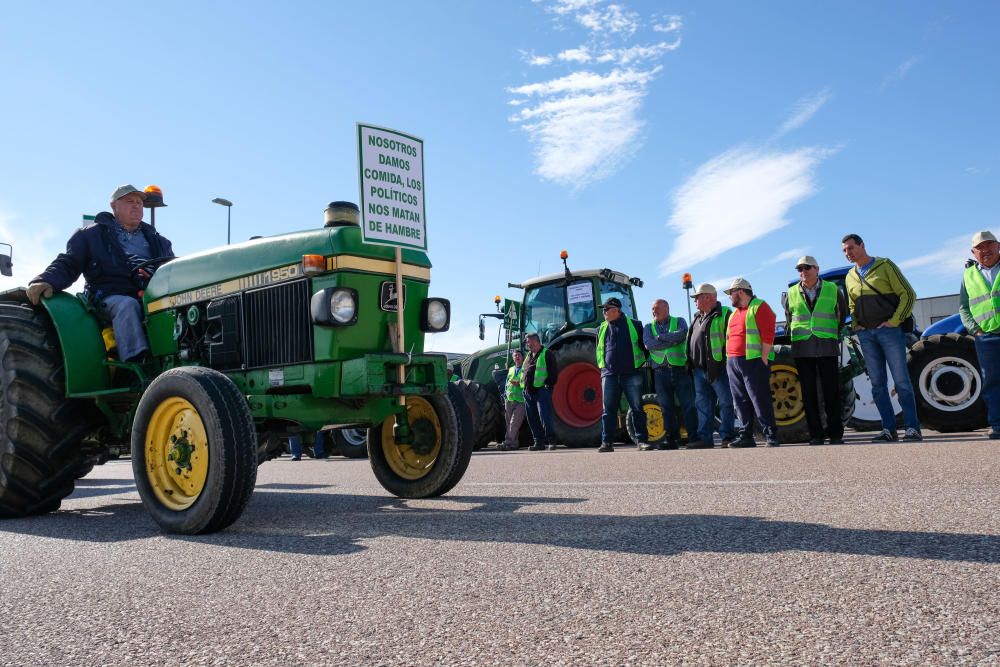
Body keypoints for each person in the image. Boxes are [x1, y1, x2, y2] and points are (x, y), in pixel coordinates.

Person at [27, 184, 174, 362]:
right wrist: (46, 280)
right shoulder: (91, 235)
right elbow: (69, 262)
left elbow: (171, 268)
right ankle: (135, 363)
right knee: (127, 305)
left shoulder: (160, 241)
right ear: (114, 206)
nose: (136, 205)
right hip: (109, 294)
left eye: (139, 202)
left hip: (152, 293)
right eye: (129, 201)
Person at [842, 233, 921, 442]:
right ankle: (888, 429)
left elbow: (908, 294)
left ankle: (912, 428)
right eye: (844, 250)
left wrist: (895, 320)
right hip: (866, 335)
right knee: (877, 384)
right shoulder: (850, 276)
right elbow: (851, 303)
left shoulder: (885, 265)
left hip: (889, 332)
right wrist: (856, 324)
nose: (847, 253)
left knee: (902, 381)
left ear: (862, 245)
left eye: (850, 248)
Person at [781, 256, 849, 445]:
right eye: (800, 269)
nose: (803, 271)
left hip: (827, 346)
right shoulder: (791, 292)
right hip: (803, 348)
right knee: (809, 394)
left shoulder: (832, 289)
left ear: (817, 269)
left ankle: (835, 434)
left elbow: (841, 315)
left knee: (831, 393)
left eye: (807, 268)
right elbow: (789, 318)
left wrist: (831, 333)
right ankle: (816, 435)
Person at [724, 278, 779, 447]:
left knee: (759, 398)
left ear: (740, 291)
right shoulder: (734, 313)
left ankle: (771, 435)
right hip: (733, 361)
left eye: (731, 293)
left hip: (753, 360)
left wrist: (763, 358)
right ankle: (747, 436)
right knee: (740, 401)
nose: (729, 297)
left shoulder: (759, 306)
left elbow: (768, 333)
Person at [959, 231, 1000, 440]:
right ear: (973, 252)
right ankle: (998, 425)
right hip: (987, 337)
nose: (986, 250)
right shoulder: (968, 275)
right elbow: (964, 308)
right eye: (980, 247)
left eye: (989, 244)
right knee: (992, 381)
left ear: (998, 245)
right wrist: (975, 330)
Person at [643, 299, 699, 449]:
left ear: (666, 308)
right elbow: (649, 344)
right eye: (652, 309)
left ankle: (693, 437)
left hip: (680, 369)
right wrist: (671, 340)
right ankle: (671, 440)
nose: (654, 312)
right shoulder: (648, 327)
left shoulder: (679, 321)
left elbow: (681, 335)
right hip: (660, 373)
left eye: (656, 309)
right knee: (666, 407)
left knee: (688, 405)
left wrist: (660, 338)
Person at [687, 283, 737, 447]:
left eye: (697, 298)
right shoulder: (696, 317)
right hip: (699, 370)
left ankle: (727, 437)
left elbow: (731, 341)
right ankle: (705, 439)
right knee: (703, 406)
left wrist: (724, 364)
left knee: (725, 403)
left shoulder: (725, 315)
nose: (695, 301)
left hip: (718, 369)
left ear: (708, 297)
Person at [596, 297, 649, 453]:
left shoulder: (635, 325)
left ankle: (642, 441)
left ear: (615, 310)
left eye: (606, 309)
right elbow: (599, 350)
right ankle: (607, 443)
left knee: (637, 408)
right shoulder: (601, 328)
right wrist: (603, 371)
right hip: (609, 375)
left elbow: (644, 347)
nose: (604, 312)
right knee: (608, 411)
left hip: (631, 374)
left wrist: (640, 365)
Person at [522, 333, 559, 451]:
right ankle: (538, 442)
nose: (527, 344)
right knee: (532, 418)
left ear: (536, 341)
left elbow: (553, 373)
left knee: (544, 416)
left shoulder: (547, 353)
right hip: (528, 392)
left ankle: (552, 441)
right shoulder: (528, 356)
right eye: (527, 342)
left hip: (541, 390)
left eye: (528, 342)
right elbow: (524, 372)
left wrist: (547, 385)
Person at [498, 350, 527, 451]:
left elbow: (527, 382)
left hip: (520, 400)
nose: (517, 357)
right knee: (508, 423)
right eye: (515, 356)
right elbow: (507, 383)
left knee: (514, 423)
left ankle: (507, 442)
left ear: (523, 357)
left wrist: (519, 384)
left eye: (519, 355)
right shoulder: (511, 369)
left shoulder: (525, 368)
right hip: (509, 400)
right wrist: (505, 395)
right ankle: (514, 444)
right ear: (513, 358)